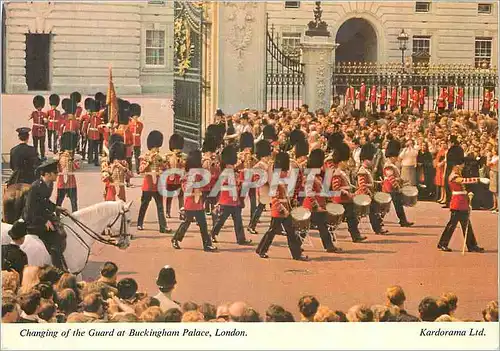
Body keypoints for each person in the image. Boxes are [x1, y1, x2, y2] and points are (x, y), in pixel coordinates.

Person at [255, 152, 306, 261]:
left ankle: (261, 249)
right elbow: (274, 199)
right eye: (285, 171)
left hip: (284, 209)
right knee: (273, 231)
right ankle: (262, 249)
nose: (286, 172)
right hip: (279, 211)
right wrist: (283, 210)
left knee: (288, 231)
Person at [22, 159, 69, 270]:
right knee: (55, 237)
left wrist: (56, 207)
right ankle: (58, 268)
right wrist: (43, 221)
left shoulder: (49, 184)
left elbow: (44, 202)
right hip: (32, 220)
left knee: (62, 231)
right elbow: (30, 210)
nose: (57, 175)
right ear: (47, 174)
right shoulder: (35, 187)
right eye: (55, 173)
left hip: (42, 215)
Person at [171, 150, 217, 252]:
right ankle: (175, 239)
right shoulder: (188, 176)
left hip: (199, 204)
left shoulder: (199, 175)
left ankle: (207, 245)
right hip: (190, 204)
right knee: (186, 224)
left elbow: (206, 186)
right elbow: (186, 190)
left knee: (203, 226)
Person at [437, 156, 485, 253]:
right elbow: (463, 181)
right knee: (452, 225)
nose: (462, 166)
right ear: (455, 165)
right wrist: (478, 179)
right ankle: (443, 243)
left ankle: (472, 245)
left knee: (466, 225)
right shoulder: (453, 175)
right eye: (461, 165)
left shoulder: (457, 173)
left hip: (462, 202)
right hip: (457, 203)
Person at [210, 145, 252, 246]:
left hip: (233, 200)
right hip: (226, 200)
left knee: (238, 221)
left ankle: (241, 239)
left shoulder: (231, 170)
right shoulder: (225, 172)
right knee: (221, 221)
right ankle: (212, 234)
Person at [302, 149, 342, 252]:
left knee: (310, 227)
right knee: (318, 226)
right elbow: (308, 192)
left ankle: (328, 246)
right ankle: (329, 246)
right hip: (312, 206)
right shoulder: (311, 175)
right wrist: (315, 205)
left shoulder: (317, 175)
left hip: (317, 205)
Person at [331, 142, 367, 242]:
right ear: (341, 162)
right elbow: (336, 188)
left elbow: (347, 185)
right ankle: (330, 234)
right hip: (341, 200)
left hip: (347, 200)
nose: (347, 164)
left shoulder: (343, 173)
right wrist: (347, 193)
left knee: (352, 219)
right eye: (346, 162)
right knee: (337, 221)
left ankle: (355, 236)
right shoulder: (337, 173)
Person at [137, 131, 169, 233]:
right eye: (156, 147)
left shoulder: (160, 157)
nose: (157, 149)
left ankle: (163, 226)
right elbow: (141, 169)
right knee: (144, 205)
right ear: (151, 147)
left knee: (160, 206)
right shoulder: (145, 157)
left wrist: (164, 164)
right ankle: (139, 223)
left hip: (157, 184)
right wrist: (149, 161)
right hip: (148, 184)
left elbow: (165, 169)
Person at [356, 143, 388, 235]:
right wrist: (369, 194)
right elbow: (362, 185)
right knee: (358, 215)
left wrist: (378, 182)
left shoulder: (367, 170)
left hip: (368, 194)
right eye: (370, 159)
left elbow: (370, 181)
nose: (372, 161)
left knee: (373, 212)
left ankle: (377, 229)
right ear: (364, 160)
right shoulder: (362, 170)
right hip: (364, 195)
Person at [382, 139, 414, 227]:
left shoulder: (391, 164)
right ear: (392, 156)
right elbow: (391, 178)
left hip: (391, 187)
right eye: (395, 156)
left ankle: (402, 221)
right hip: (390, 187)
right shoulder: (388, 165)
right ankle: (402, 221)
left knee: (393, 205)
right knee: (387, 206)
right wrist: (398, 186)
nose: (397, 158)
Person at [247, 140, 273, 234]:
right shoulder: (259, 164)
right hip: (264, 189)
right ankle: (251, 225)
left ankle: (277, 227)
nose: (269, 157)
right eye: (267, 156)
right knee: (261, 208)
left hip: (269, 188)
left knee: (272, 207)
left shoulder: (267, 163)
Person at [55, 132, 81, 213]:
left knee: (73, 203)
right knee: (59, 203)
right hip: (64, 182)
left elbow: (77, 167)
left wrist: (71, 159)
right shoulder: (59, 157)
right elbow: (57, 169)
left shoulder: (73, 157)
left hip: (68, 182)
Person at [164, 134, 187, 219]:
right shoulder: (168, 156)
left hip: (180, 179)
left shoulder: (184, 156)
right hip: (171, 178)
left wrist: (181, 162)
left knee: (181, 197)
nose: (177, 150)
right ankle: (167, 212)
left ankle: (182, 213)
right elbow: (165, 167)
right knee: (169, 196)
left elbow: (186, 167)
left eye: (178, 148)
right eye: (176, 148)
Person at [85, 98, 102, 166]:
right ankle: (90, 159)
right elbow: (86, 125)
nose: (95, 113)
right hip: (91, 135)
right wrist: (84, 132)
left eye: (96, 112)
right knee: (90, 148)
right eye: (94, 112)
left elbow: (100, 127)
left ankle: (96, 161)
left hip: (97, 135)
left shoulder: (99, 119)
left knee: (96, 149)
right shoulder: (89, 118)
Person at [129, 103, 144, 174]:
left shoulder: (140, 124)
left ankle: (138, 169)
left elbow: (140, 133)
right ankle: (130, 169)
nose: (136, 117)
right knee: (130, 156)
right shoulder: (129, 124)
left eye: (137, 116)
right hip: (131, 142)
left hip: (137, 142)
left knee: (137, 157)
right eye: (135, 116)